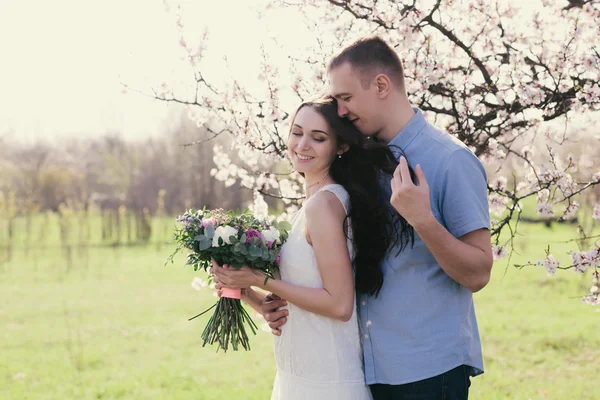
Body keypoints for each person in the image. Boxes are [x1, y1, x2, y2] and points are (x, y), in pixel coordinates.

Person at [264, 37, 493, 400]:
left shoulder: (450, 160)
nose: (339, 111)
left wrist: (424, 221)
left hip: (427, 371)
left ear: (382, 85)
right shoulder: (360, 163)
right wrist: (272, 300)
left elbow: (479, 272)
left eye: (346, 98)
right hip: (366, 369)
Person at [212, 96, 414, 400]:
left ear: (341, 146)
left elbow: (339, 305)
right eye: (297, 132)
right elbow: (301, 294)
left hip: (326, 383)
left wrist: (257, 279)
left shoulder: (324, 205)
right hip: (298, 377)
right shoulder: (314, 205)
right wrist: (250, 294)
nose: (302, 144)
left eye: (318, 138)